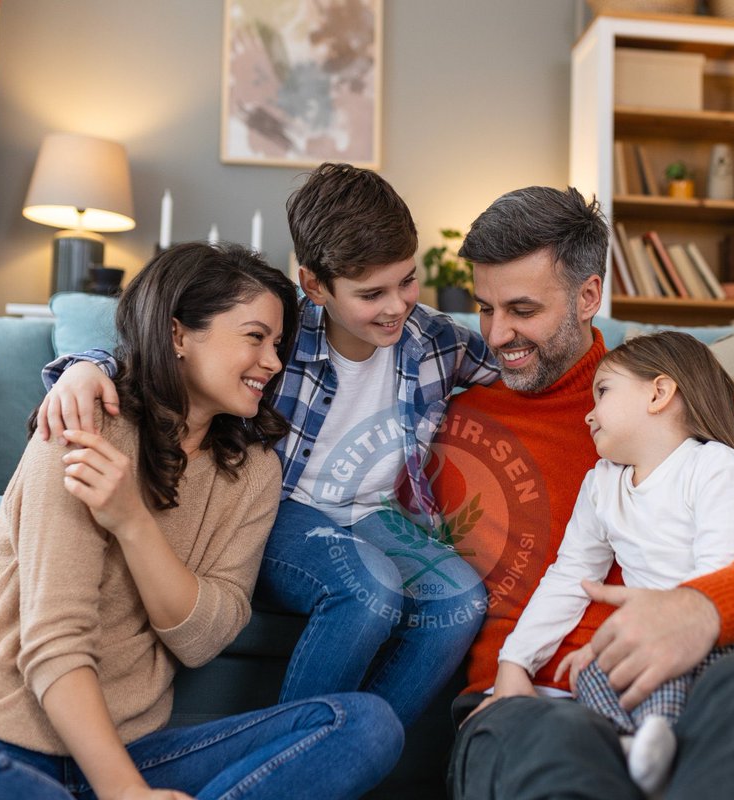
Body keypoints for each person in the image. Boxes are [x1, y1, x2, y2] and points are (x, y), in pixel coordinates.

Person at [0, 243, 403, 800]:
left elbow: (203, 638)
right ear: (178, 335)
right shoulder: (83, 419)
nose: (273, 362)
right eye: (255, 337)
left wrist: (133, 522)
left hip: (133, 757)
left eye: (279, 344)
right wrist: (124, 793)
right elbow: (54, 640)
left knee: (364, 725)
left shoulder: (255, 471)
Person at [436, 186, 734, 799]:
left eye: (523, 309)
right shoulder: (449, 410)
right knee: (547, 745)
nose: (497, 333)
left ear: (589, 296)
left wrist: (698, 609)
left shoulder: (672, 403)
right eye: (484, 308)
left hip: (691, 681)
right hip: (528, 698)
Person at [35, 163, 497, 729]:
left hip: (379, 515)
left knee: (459, 602)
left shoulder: (435, 339)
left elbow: (518, 369)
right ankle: (288, 753)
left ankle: (351, 760)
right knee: (367, 588)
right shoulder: (278, 338)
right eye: (371, 293)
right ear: (315, 285)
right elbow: (164, 351)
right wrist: (86, 367)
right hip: (284, 511)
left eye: (406, 280)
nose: (397, 306)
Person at [492, 331, 734, 796]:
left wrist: (652, 626)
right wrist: (515, 659)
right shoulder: (601, 485)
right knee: (591, 670)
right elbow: (572, 576)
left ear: (659, 393)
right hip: (662, 648)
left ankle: (662, 740)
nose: (588, 413)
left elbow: (722, 570)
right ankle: (647, 743)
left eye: (604, 392)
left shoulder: (715, 467)